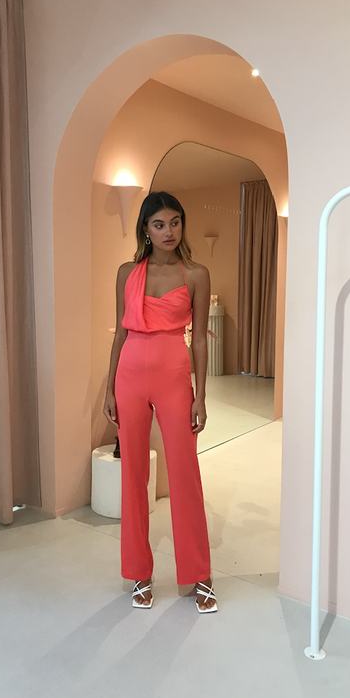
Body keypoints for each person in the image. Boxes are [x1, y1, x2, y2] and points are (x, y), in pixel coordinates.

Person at [103, 191, 217, 613]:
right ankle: (139, 573)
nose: (169, 231)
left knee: (185, 473)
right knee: (133, 474)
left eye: (175, 222)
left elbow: (200, 339)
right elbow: (120, 332)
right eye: (159, 224)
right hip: (130, 374)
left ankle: (199, 574)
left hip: (173, 373)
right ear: (145, 230)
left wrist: (200, 395)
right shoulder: (127, 272)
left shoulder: (197, 274)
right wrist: (109, 389)